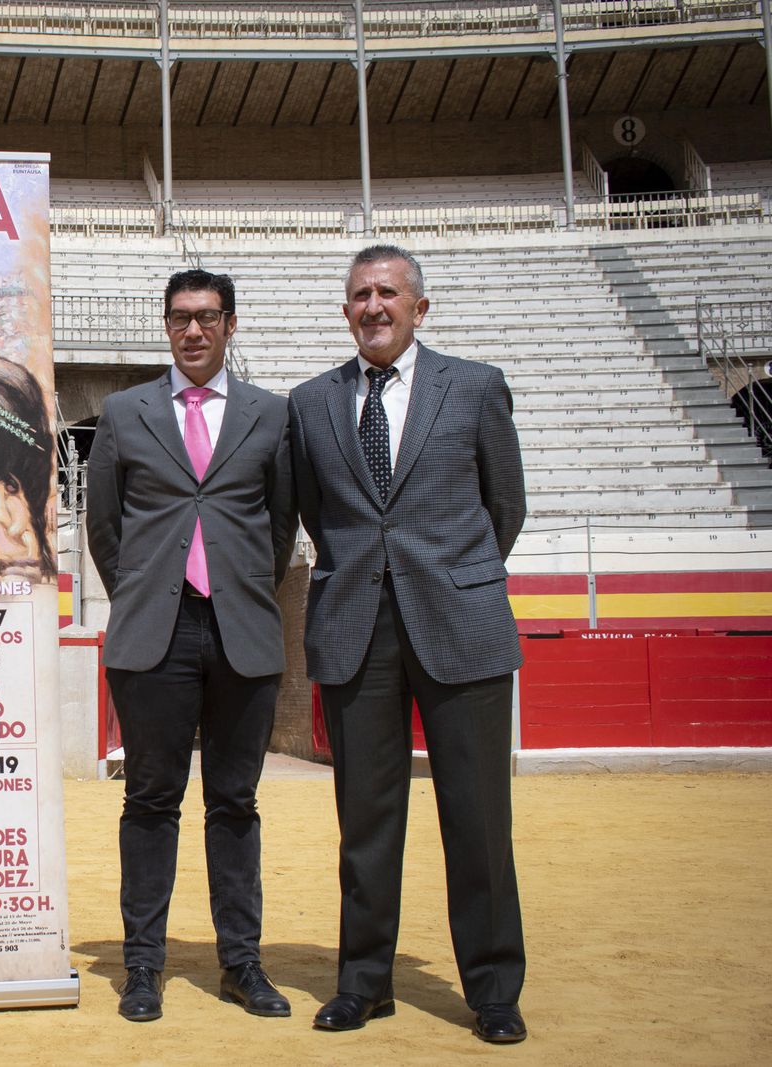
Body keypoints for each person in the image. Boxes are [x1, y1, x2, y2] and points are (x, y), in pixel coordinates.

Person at [288, 245, 529, 1043]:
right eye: (359, 294)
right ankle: (364, 982)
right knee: (365, 820)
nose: (373, 305)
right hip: (358, 624)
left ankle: (493, 988)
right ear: (345, 309)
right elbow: (320, 515)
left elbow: (506, 507)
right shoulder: (311, 401)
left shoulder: (477, 385)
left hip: (460, 620)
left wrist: (450, 575)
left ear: (419, 308)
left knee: (478, 817)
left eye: (388, 292)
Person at [86, 269, 297, 1023]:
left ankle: (242, 960)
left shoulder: (271, 415)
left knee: (234, 802)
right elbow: (104, 528)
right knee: (150, 800)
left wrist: (237, 590)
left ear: (230, 324)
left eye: (208, 317)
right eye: (180, 317)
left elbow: (278, 528)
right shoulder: (122, 410)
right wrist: (148, 595)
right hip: (156, 632)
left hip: (241, 627)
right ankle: (143, 964)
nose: (194, 330)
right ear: (166, 325)